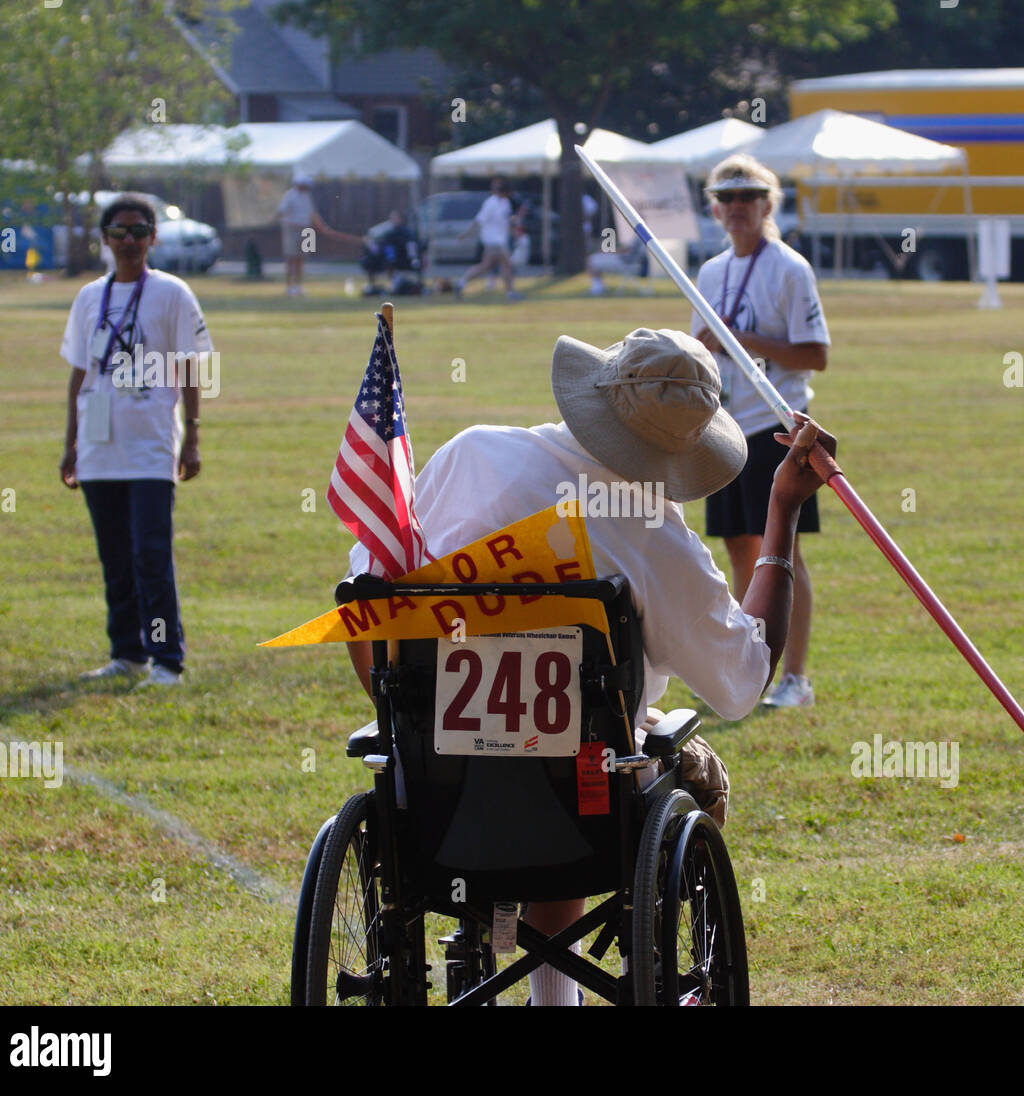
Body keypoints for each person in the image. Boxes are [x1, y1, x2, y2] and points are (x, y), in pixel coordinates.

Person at [344, 326, 834, 1005]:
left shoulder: (469, 455)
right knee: (614, 758)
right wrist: (780, 512)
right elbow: (745, 680)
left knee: (556, 754)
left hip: (432, 789)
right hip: (582, 803)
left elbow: (365, 600)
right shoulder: (654, 535)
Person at [691, 154, 830, 708]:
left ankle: (795, 677)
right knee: (739, 548)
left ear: (768, 204)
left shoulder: (790, 269)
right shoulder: (708, 272)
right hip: (722, 426)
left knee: (784, 551)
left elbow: (816, 354)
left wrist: (744, 338)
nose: (736, 207)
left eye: (747, 196)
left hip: (776, 425)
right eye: (725, 198)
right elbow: (706, 348)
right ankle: (753, 670)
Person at [58, 194, 213, 687]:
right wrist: (71, 444)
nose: (128, 240)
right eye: (119, 232)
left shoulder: (171, 293)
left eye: (138, 230)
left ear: (153, 237)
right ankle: (126, 652)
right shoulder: (88, 298)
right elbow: (80, 373)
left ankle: (166, 658)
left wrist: (192, 437)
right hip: (100, 448)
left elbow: (190, 367)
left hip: (149, 447)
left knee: (150, 553)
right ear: (104, 239)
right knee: (115, 557)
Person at [275, 171, 365, 297]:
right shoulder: (289, 195)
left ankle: (298, 286)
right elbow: (281, 212)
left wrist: (323, 227)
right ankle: (289, 287)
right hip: (292, 230)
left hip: (306, 230)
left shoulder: (306, 196)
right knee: (291, 258)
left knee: (301, 259)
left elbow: (312, 214)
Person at [455, 177, 522, 300]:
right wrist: (466, 233)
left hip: (500, 239)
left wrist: (513, 228)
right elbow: (479, 220)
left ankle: (460, 283)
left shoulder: (505, 203)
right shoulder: (491, 203)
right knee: (506, 264)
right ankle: (511, 293)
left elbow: (506, 221)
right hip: (492, 240)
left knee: (486, 266)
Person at [360, 210, 420, 296]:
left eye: (395, 218)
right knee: (371, 260)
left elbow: (409, 247)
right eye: (392, 218)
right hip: (387, 258)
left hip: (399, 259)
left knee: (387, 261)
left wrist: (413, 258)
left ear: (400, 219)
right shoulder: (389, 231)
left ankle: (396, 285)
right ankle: (377, 286)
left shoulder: (403, 232)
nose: (393, 220)